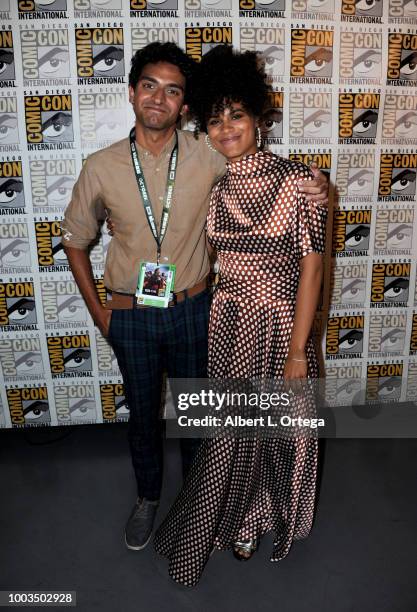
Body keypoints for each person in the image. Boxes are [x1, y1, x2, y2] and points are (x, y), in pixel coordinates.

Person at [61, 42, 329, 555]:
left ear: (184, 105)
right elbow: (74, 240)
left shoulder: (209, 153)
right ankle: (147, 499)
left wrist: (323, 187)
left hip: (196, 310)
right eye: (149, 86)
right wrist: (100, 315)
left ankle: (202, 501)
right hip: (134, 315)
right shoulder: (101, 165)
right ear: (133, 92)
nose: (159, 98)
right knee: (143, 415)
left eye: (173, 90)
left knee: (201, 418)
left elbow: (275, 173)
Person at [153, 45, 327, 586]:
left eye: (237, 114)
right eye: (215, 118)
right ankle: (238, 518)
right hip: (228, 325)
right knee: (231, 433)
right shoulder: (215, 185)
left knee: (279, 433)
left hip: (280, 327)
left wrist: (300, 350)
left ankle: (267, 514)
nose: (227, 127)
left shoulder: (300, 182)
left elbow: (314, 270)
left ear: (258, 117)